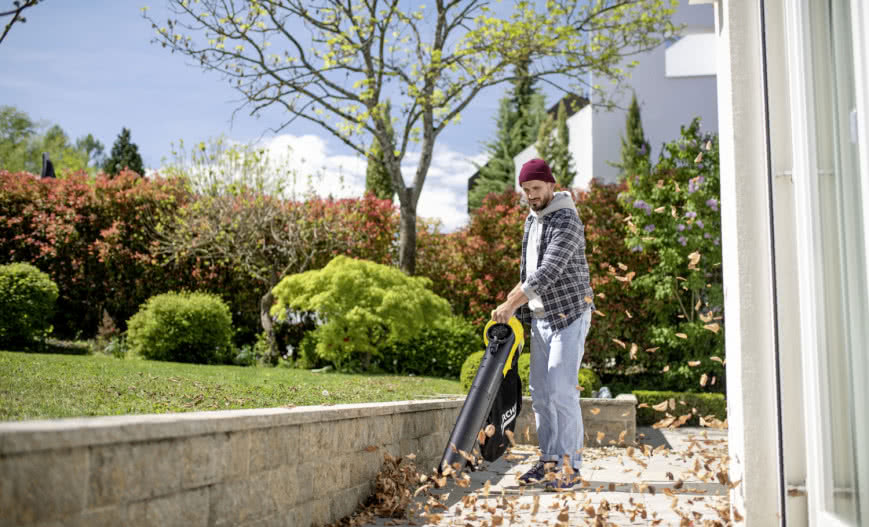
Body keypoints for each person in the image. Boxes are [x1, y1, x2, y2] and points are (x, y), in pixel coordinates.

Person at [490, 158, 594, 491]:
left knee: (562, 391)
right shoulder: (530, 221)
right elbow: (527, 272)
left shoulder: (566, 219)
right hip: (539, 319)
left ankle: (570, 467)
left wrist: (510, 302)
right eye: (526, 190)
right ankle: (549, 460)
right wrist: (518, 311)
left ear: (550, 184)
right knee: (542, 394)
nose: (531, 195)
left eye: (535, 188)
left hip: (569, 315)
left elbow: (548, 271)